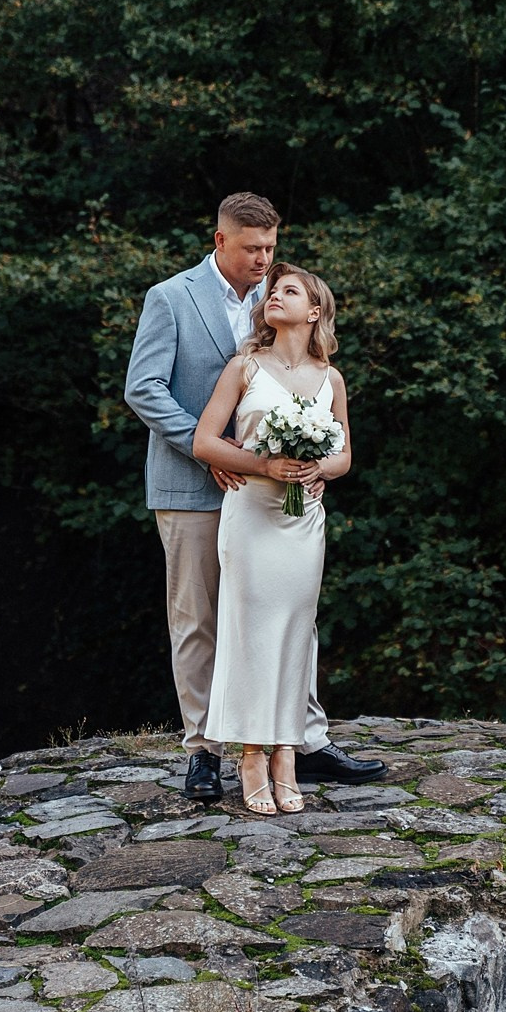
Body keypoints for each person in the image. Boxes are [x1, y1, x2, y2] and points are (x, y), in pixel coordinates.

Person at [123, 193, 387, 802]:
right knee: (200, 621)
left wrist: (311, 464)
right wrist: (217, 453)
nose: (264, 261)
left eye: (270, 249)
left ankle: (304, 738)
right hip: (194, 484)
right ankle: (203, 752)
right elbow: (143, 388)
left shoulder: (279, 301)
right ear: (220, 241)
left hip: (276, 500)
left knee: (291, 614)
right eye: (251, 249)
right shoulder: (171, 298)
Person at [191, 263, 350, 812]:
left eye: (289, 291)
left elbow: (345, 455)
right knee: (249, 632)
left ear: (314, 312)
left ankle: (287, 751)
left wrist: (318, 470)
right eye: (273, 290)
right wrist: (265, 463)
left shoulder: (331, 378)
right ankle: (251, 754)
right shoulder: (245, 366)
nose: (274, 296)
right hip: (252, 516)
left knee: (294, 634)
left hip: (303, 521)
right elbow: (205, 442)